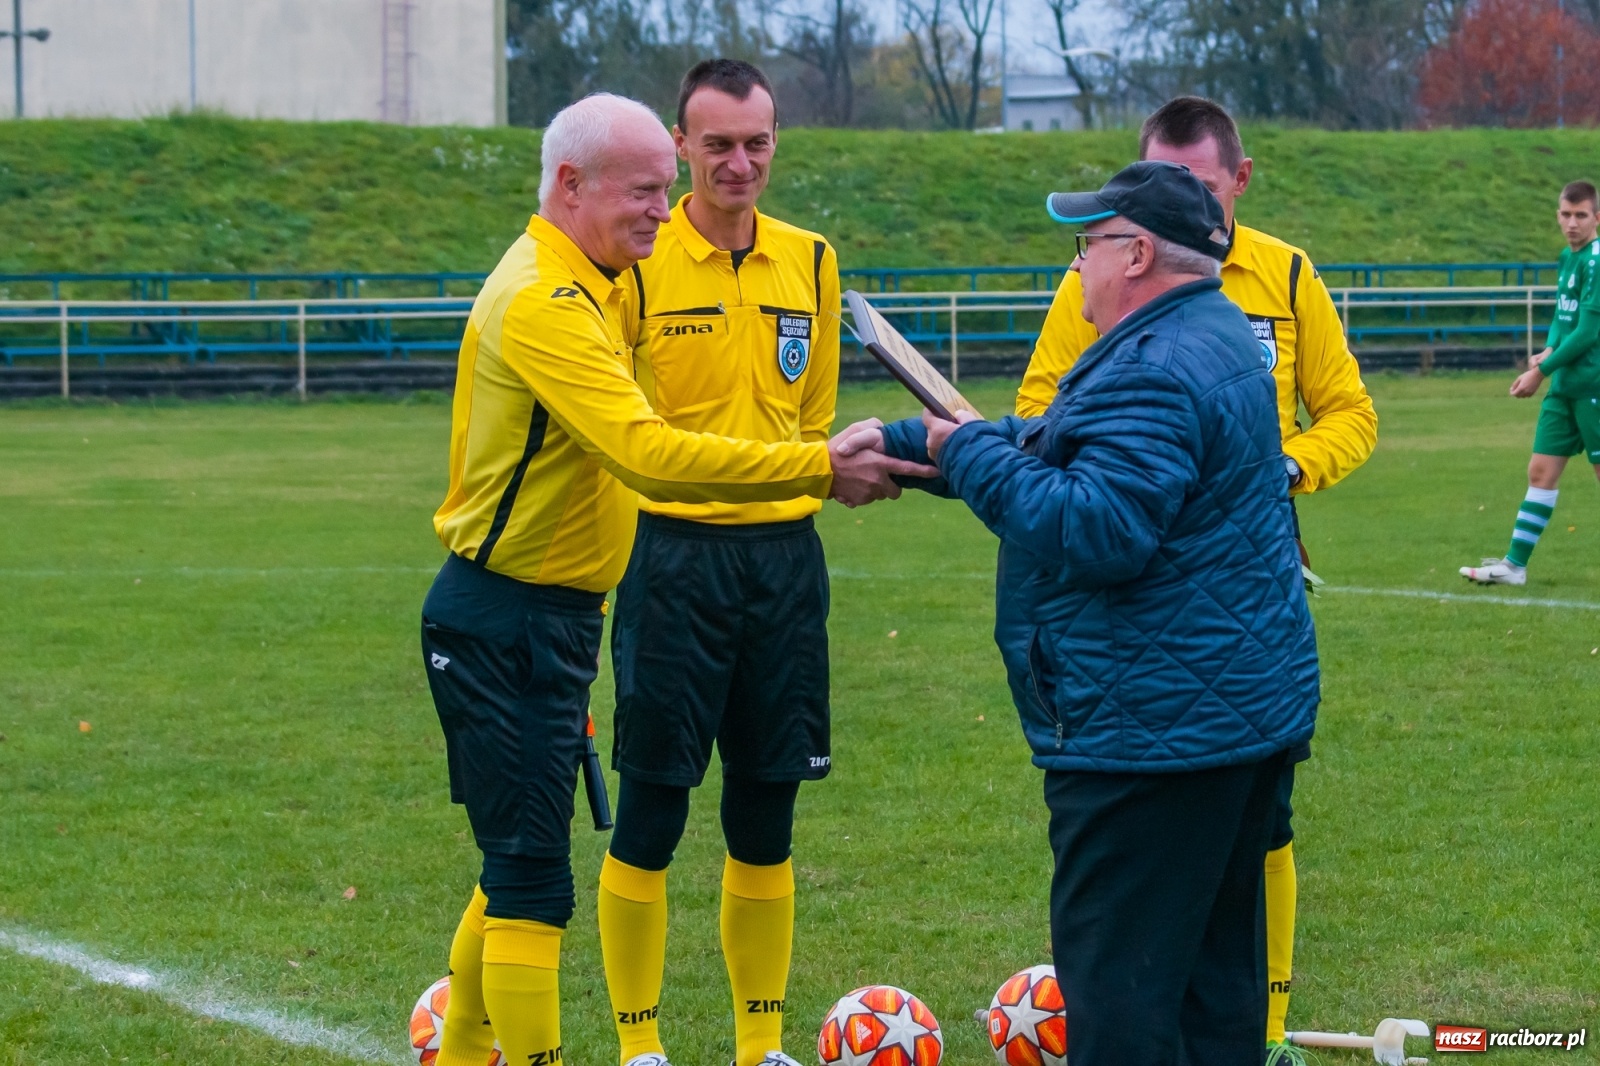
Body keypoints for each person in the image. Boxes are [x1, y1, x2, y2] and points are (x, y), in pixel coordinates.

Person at [418, 92, 928, 1066]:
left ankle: (459, 1051)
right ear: (571, 185)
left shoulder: (597, 276)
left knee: (511, 862)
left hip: (553, 614)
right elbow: (646, 454)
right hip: (510, 613)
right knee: (530, 880)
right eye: (648, 189)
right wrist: (819, 466)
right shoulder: (547, 299)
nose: (667, 206)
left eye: (665, 188)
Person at [847, 161, 1320, 1065]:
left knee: (1122, 1008)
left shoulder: (1154, 364)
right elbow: (1074, 450)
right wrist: (920, 441)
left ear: (1137, 253)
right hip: (1227, 721)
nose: (1075, 269)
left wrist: (974, 455)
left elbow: (1098, 527)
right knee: (1213, 997)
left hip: (1152, 738)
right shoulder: (1209, 333)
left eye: (1087, 246)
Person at [1014, 96, 1375, 1062]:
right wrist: (976, 449)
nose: (1080, 254)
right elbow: (1047, 409)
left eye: (1206, 189)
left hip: (1176, 682)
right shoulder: (1150, 306)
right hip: (1219, 664)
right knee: (1212, 948)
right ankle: (1250, 1032)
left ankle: (1273, 1026)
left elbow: (1103, 522)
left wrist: (1282, 469)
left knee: (1155, 962)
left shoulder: (1269, 281)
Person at [595, 60, 836, 1066]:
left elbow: (813, 416)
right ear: (680, 145)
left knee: (765, 807)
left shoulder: (812, 260)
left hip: (783, 562)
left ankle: (758, 1046)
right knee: (653, 803)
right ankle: (640, 1046)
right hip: (675, 559)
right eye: (719, 143)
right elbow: (619, 426)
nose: (740, 162)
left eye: (758, 142)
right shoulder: (639, 262)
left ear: (775, 144)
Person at [1461, 181, 1600, 587]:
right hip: (1566, 386)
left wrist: (1541, 370)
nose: (1571, 223)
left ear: (1596, 218)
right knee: (1540, 471)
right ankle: (1514, 567)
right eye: (1565, 214)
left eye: (1581, 215)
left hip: (1593, 384)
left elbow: (1590, 331)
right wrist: (1550, 349)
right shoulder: (1567, 258)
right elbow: (1564, 315)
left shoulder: (1597, 260)